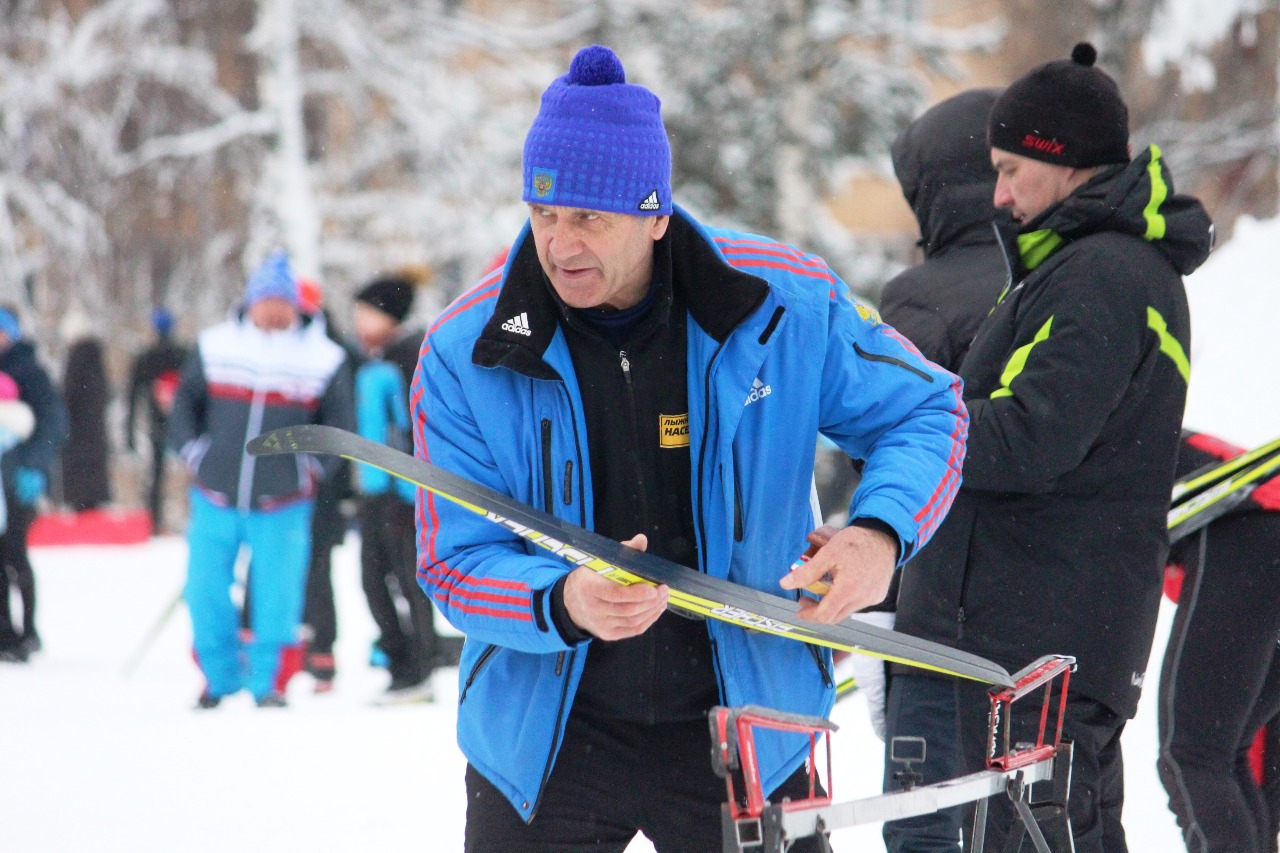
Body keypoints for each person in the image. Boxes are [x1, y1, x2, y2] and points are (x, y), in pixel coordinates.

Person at [411, 45, 968, 852]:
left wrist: (879, 537)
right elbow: (454, 556)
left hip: (750, 726)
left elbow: (929, 411)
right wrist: (563, 599)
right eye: (543, 214)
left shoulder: (784, 304)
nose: (560, 244)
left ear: (655, 214)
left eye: (589, 218)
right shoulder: (467, 351)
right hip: (543, 734)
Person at [891, 43, 1213, 853]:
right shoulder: (1080, 265)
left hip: (1029, 645)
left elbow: (1027, 439)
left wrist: (906, 422)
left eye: (1009, 170)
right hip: (1029, 633)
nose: (997, 196)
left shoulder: (1103, 273)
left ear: (1059, 159)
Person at [857, 86, 1008, 848]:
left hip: (935, 620)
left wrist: (878, 618)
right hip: (1044, 624)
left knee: (924, 830)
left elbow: (892, 449)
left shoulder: (920, 296)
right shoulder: (1063, 281)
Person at [167, 251, 354, 708]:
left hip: (284, 499)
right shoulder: (216, 346)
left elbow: (339, 426)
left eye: (281, 301)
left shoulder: (323, 357)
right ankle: (217, 677)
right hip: (215, 494)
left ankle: (269, 681)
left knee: (278, 594)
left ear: (295, 306)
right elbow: (183, 408)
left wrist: (311, 469)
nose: (272, 310)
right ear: (249, 302)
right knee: (204, 588)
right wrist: (193, 453)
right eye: (264, 300)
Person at [1158, 430, 1280, 853]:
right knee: (1229, 752)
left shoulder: (1118, 435)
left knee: (1192, 754)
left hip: (1245, 525)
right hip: (1260, 519)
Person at [352, 274, 440, 703]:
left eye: (364, 311)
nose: (358, 321)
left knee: (408, 579)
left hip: (402, 494)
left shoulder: (409, 355)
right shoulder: (373, 357)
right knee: (371, 579)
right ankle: (398, 658)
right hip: (374, 489)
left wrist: (410, 492)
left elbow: (412, 429)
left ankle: (418, 668)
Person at [0, 306, 68, 662]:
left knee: (15, 555)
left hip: (17, 480)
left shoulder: (30, 371)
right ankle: (4, 634)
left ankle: (27, 631)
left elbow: (53, 422)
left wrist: (34, 466)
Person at [126, 307, 189, 533]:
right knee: (192, 470)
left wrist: (129, 433)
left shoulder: (145, 357)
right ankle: (191, 518)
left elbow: (133, 398)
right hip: (185, 424)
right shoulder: (185, 355)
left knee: (156, 473)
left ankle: (154, 522)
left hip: (157, 423)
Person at [58, 308, 110, 511]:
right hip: (94, 427)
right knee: (93, 474)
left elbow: (69, 394)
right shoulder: (96, 356)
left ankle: (81, 504)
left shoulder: (77, 357)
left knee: (79, 476)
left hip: (77, 429)